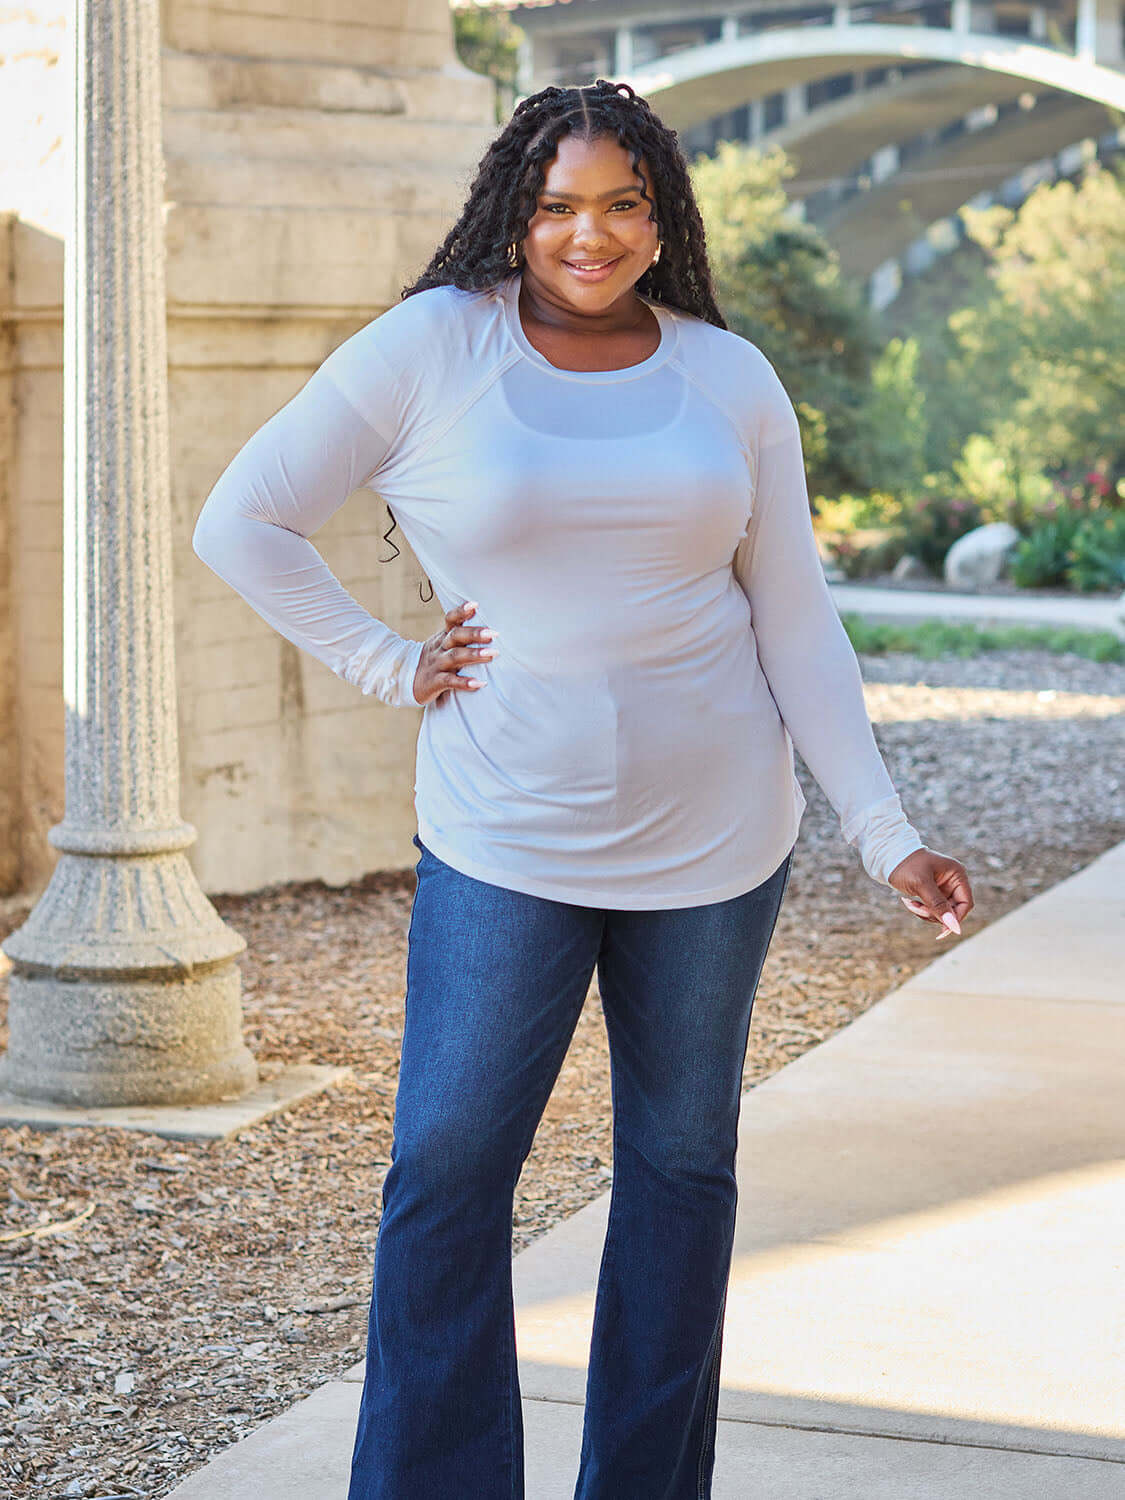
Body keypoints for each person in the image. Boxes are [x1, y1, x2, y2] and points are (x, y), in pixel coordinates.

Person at [192, 78, 973, 1500]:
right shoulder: (436, 348)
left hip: (720, 839)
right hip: (505, 835)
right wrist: (387, 663)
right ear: (512, 213)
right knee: (443, 1174)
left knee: (680, 1177)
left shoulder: (726, 377)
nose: (587, 234)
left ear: (663, 214)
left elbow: (793, 616)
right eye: (555, 206)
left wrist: (886, 831)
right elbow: (241, 519)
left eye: (621, 203)